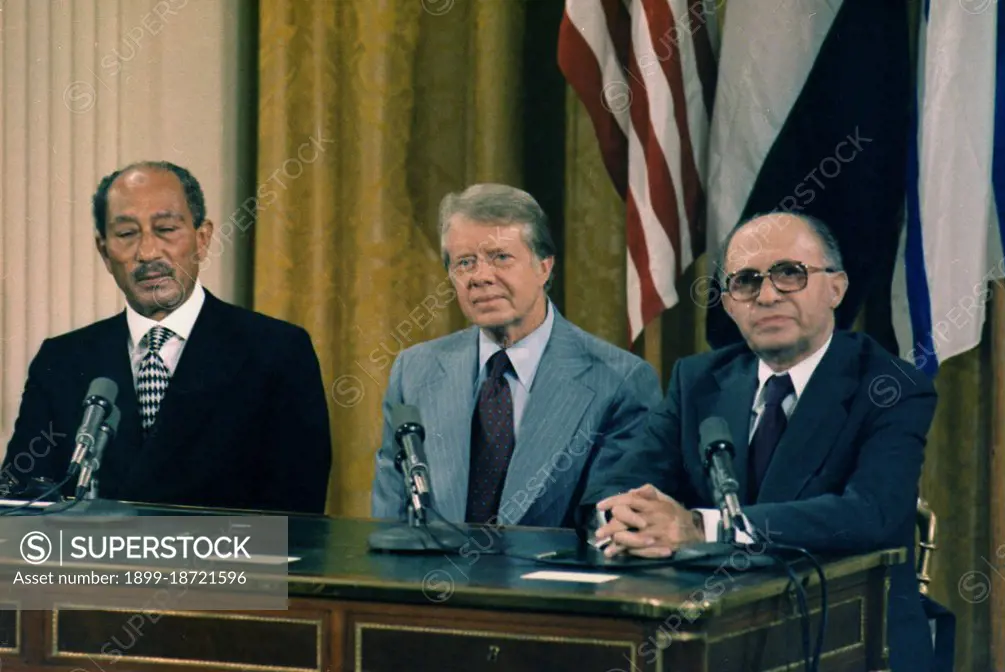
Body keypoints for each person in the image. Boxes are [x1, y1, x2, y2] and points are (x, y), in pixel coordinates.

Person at [582, 213, 935, 672]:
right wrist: (626, 518)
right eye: (746, 281)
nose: (767, 295)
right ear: (729, 304)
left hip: (848, 635)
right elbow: (612, 487)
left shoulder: (890, 385)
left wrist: (702, 526)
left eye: (790, 274)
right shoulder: (698, 381)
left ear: (836, 288)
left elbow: (871, 514)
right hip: (711, 633)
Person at [1, 161, 332, 514]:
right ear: (104, 252)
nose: (147, 253)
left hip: (224, 567)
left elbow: (296, 515)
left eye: (166, 229)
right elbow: (19, 498)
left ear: (202, 239)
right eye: (127, 234)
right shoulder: (62, 360)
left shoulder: (277, 352)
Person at [371, 184, 662, 528]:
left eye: (500, 257)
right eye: (465, 263)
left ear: (544, 267)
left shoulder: (619, 381)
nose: (480, 277)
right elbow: (391, 520)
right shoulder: (415, 370)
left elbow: (609, 524)